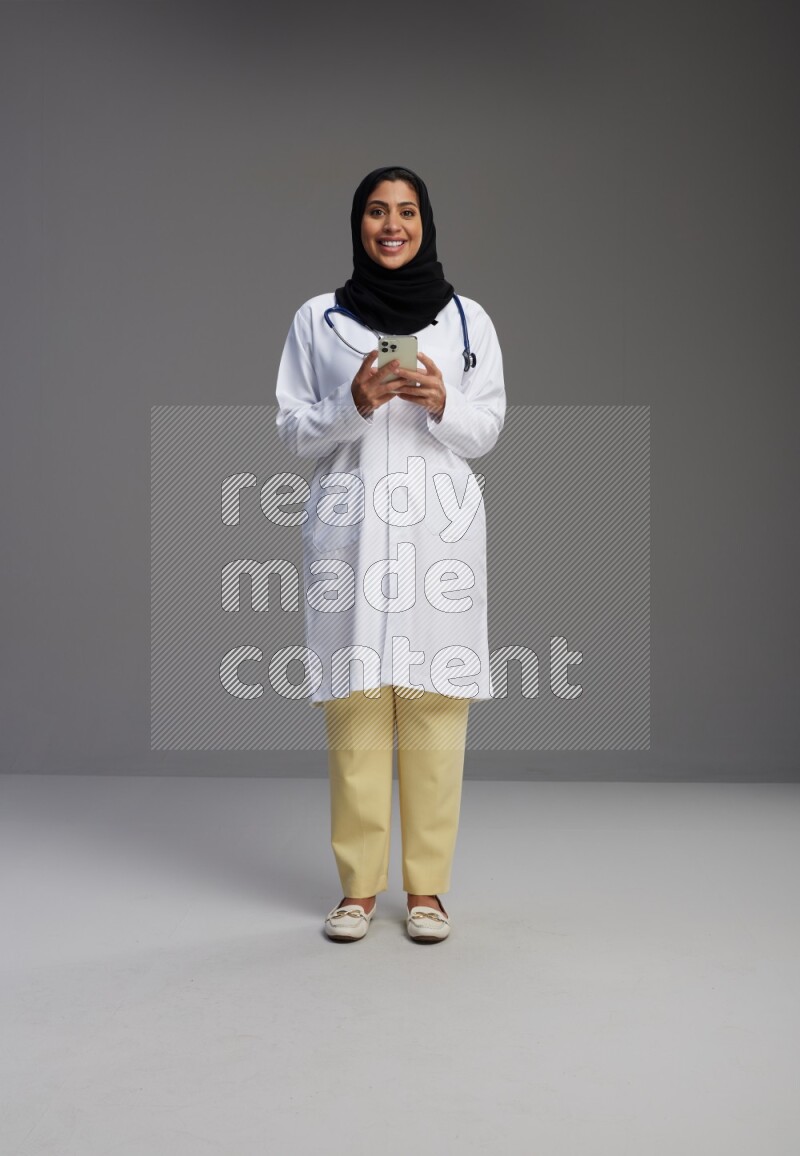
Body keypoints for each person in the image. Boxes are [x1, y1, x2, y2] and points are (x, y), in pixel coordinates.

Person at [275, 165, 506, 943]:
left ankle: (429, 891)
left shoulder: (467, 320)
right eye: (377, 211)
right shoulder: (319, 319)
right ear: (358, 224)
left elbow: (489, 429)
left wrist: (443, 404)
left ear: (426, 222)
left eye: (406, 211)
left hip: (437, 534)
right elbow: (292, 429)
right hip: (352, 532)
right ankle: (358, 892)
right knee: (357, 710)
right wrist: (355, 406)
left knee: (437, 710)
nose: (392, 224)